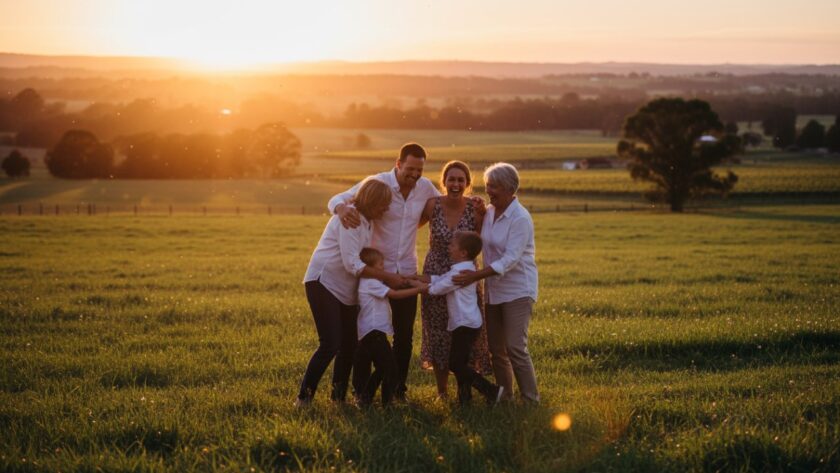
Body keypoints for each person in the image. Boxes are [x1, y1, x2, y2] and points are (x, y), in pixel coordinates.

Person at [327, 143, 440, 400]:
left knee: (403, 336)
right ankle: (360, 391)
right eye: (410, 169)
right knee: (367, 335)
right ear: (398, 163)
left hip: (406, 271)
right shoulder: (378, 183)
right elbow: (337, 198)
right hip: (374, 273)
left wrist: (476, 204)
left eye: (419, 170)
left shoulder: (425, 187)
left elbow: (443, 205)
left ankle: (396, 391)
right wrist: (341, 209)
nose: (414, 175)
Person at [298, 179, 401, 406]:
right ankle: (303, 398)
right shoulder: (352, 219)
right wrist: (388, 277)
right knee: (330, 343)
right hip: (323, 282)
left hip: (345, 290)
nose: (385, 209)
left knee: (349, 345)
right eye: (383, 204)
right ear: (372, 200)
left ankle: (338, 398)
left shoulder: (367, 221)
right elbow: (352, 264)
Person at [453, 163, 539, 403]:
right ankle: (505, 398)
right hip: (494, 291)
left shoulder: (520, 218)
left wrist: (474, 276)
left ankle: (531, 400)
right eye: (488, 185)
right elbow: (481, 240)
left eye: (495, 187)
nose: (489, 190)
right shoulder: (490, 211)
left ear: (510, 188)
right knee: (496, 351)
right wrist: (480, 212)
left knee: (515, 348)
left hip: (518, 290)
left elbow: (510, 260)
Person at [418, 160, 491, 399]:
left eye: (461, 180)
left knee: (463, 333)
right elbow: (407, 227)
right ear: (444, 182)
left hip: (464, 276)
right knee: (438, 333)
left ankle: (464, 393)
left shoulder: (475, 209)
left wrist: (484, 209)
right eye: (451, 179)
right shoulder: (432, 205)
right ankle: (442, 392)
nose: (456, 184)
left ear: (468, 184)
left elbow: (481, 240)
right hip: (435, 273)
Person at [423, 231, 503, 406]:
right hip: (468, 322)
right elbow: (441, 279)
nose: (449, 247)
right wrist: (418, 279)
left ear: (463, 253)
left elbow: (437, 289)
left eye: (452, 245)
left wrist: (418, 287)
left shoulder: (459, 274)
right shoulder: (464, 270)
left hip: (465, 324)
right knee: (462, 362)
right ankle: (465, 400)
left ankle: (491, 390)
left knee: (456, 364)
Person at [352, 248, 428, 407]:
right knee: (391, 368)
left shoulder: (369, 282)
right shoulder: (370, 283)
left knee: (382, 367)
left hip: (372, 332)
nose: (383, 268)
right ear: (371, 267)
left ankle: (366, 397)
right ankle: (386, 403)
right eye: (380, 264)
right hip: (374, 332)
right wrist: (418, 290)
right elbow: (394, 294)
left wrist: (407, 280)